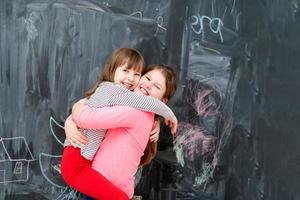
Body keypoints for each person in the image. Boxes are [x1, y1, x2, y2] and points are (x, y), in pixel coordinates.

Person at [60, 48, 177, 199]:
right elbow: (84, 111)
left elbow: (85, 108)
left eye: (136, 74)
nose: (131, 78)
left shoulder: (131, 106)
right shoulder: (113, 91)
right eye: (147, 78)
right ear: (112, 69)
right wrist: (168, 113)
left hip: (90, 169)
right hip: (79, 164)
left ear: (163, 99)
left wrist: (158, 119)